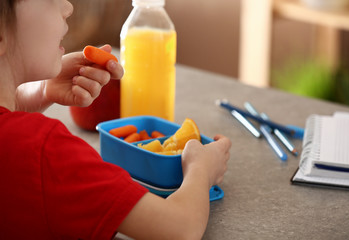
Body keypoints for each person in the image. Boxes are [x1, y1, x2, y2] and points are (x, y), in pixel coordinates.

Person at [0, 0, 231, 239]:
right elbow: (179, 228)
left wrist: (41, 92)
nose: (68, 7)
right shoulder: (45, 151)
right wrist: (201, 168)